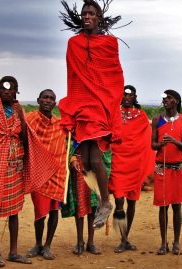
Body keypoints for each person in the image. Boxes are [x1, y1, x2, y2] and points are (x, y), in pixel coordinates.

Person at [59, 0, 125, 229]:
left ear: (99, 17)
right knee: (85, 161)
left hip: (101, 104)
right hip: (81, 105)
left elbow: (114, 75)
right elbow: (72, 76)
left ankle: (106, 202)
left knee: (96, 159)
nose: (87, 16)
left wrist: (110, 105)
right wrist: (73, 107)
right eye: (84, 13)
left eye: (91, 13)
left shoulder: (109, 43)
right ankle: (101, 200)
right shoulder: (73, 43)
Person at [0, 76, 57, 267]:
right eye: (4, 88)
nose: (7, 91)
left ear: (16, 91)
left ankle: (13, 251)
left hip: (16, 166)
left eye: (11, 88)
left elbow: (25, 135)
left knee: (14, 211)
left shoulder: (18, 110)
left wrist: (22, 125)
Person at [109, 85, 154, 253]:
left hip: (135, 164)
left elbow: (146, 135)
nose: (127, 97)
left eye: (131, 95)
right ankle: (122, 237)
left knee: (132, 202)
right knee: (119, 201)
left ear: (135, 97)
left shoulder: (141, 115)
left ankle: (125, 239)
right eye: (125, 94)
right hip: (118, 162)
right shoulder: (114, 113)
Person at [25, 89, 67, 260]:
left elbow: (63, 147)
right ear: (38, 100)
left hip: (57, 173)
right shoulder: (30, 120)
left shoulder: (60, 125)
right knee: (39, 212)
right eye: (45, 98)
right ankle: (38, 244)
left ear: (55, 103)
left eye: (51, 99)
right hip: (39, 173)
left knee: (54, 211)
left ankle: (48, 245)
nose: (48, 101)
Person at [151, 89, 182, 255]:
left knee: (176, 206)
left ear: (177, 101)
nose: (165, 100)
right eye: (164, 98)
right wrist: (160, 145)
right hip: (162, 168)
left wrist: (174, 141)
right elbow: (152, 144)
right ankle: (163, 243)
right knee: (163, 206)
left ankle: (175, 242)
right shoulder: (157, 120)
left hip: (178, 169)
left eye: (169, 98)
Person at [61, 146, 112, 255]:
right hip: (78, 165)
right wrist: (72, 158)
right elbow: (68, 142)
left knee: (93, 204)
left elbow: (105, 146)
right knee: (80, 203)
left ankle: (91, 242)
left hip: (95, 168)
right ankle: (80, 242)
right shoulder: (75, 128)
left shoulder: (97, 129)